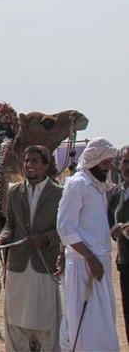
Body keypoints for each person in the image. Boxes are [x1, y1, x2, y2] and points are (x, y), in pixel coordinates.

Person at [0, 146, 62, 351]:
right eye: (27, 160)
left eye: (36, 160)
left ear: (46, 165)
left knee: (46, 321)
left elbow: (65, 228)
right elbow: (11, 225)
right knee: (15, 320)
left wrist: (46, 239)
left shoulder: (59, 193)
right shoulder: (15, 191)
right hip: (18, 265)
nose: (30, 165)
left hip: (44, 264)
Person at [57, 137, 119, 351]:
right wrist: (91, 258)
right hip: (83, 264)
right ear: (94, 161)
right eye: (105, 163)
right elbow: (65, 227)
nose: (108, 168)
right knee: (83, 324)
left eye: (110, 163)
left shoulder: (98, 186)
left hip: (100, 262)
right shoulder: (77, 184)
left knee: (102, 321)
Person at [108, 145, 129, 343]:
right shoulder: (116, 193)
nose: (128, 166)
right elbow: (109, 225)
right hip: (125, 262)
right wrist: (115, 232)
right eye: (126, 161)